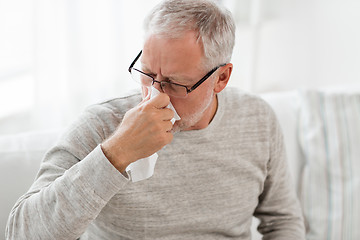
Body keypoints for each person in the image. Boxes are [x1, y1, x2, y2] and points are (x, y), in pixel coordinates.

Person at [6, 0, 305, 239]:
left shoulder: (257, 119)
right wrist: (115, 154)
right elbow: (21, 232)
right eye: (147, 74)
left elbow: (282, 220)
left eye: (175, 84)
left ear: (221, 78)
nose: (155, 96)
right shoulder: (101, 124)